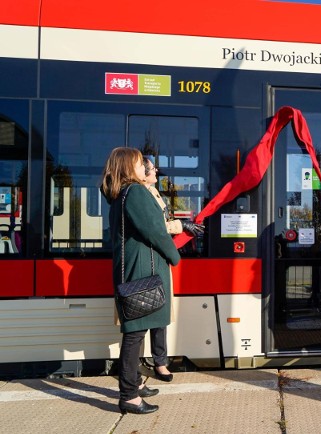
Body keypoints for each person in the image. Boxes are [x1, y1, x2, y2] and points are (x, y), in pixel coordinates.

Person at [101, 147, 181, 414]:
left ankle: (134, 383)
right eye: (138, 163)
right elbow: (156, 231)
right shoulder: (135, 192)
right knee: (134, 335)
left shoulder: (120, 195)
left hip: (133, 270)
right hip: (142, 273)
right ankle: (129, 396)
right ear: (127, 167)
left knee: (136, 331)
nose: (143, 167)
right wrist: (174, 256)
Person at [140, 157, 203, 382]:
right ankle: (156, 363)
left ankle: (160, 361)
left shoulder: (153, 191)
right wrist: (181, 226)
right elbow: (154, 228)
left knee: (160, 315)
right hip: (151, 260)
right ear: (142, 172)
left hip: (158, 260)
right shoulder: (140, 195)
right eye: (151, 168)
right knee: (146, 316)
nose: (156, 170)